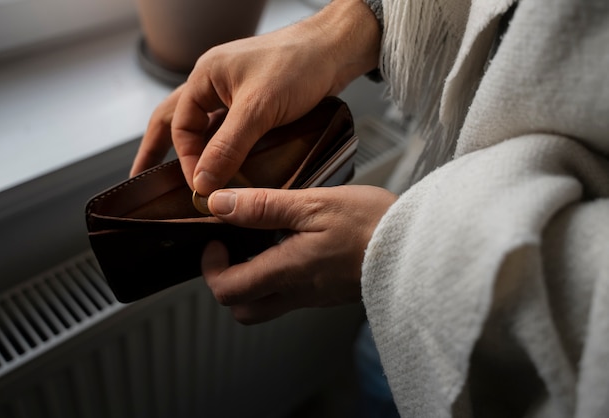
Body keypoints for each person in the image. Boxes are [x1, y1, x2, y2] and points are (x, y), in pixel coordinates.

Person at [131, 0, 609, 416]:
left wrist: (401, 248)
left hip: (513, 337)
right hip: (436, 237)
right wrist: (343, 29)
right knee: (376, 368)